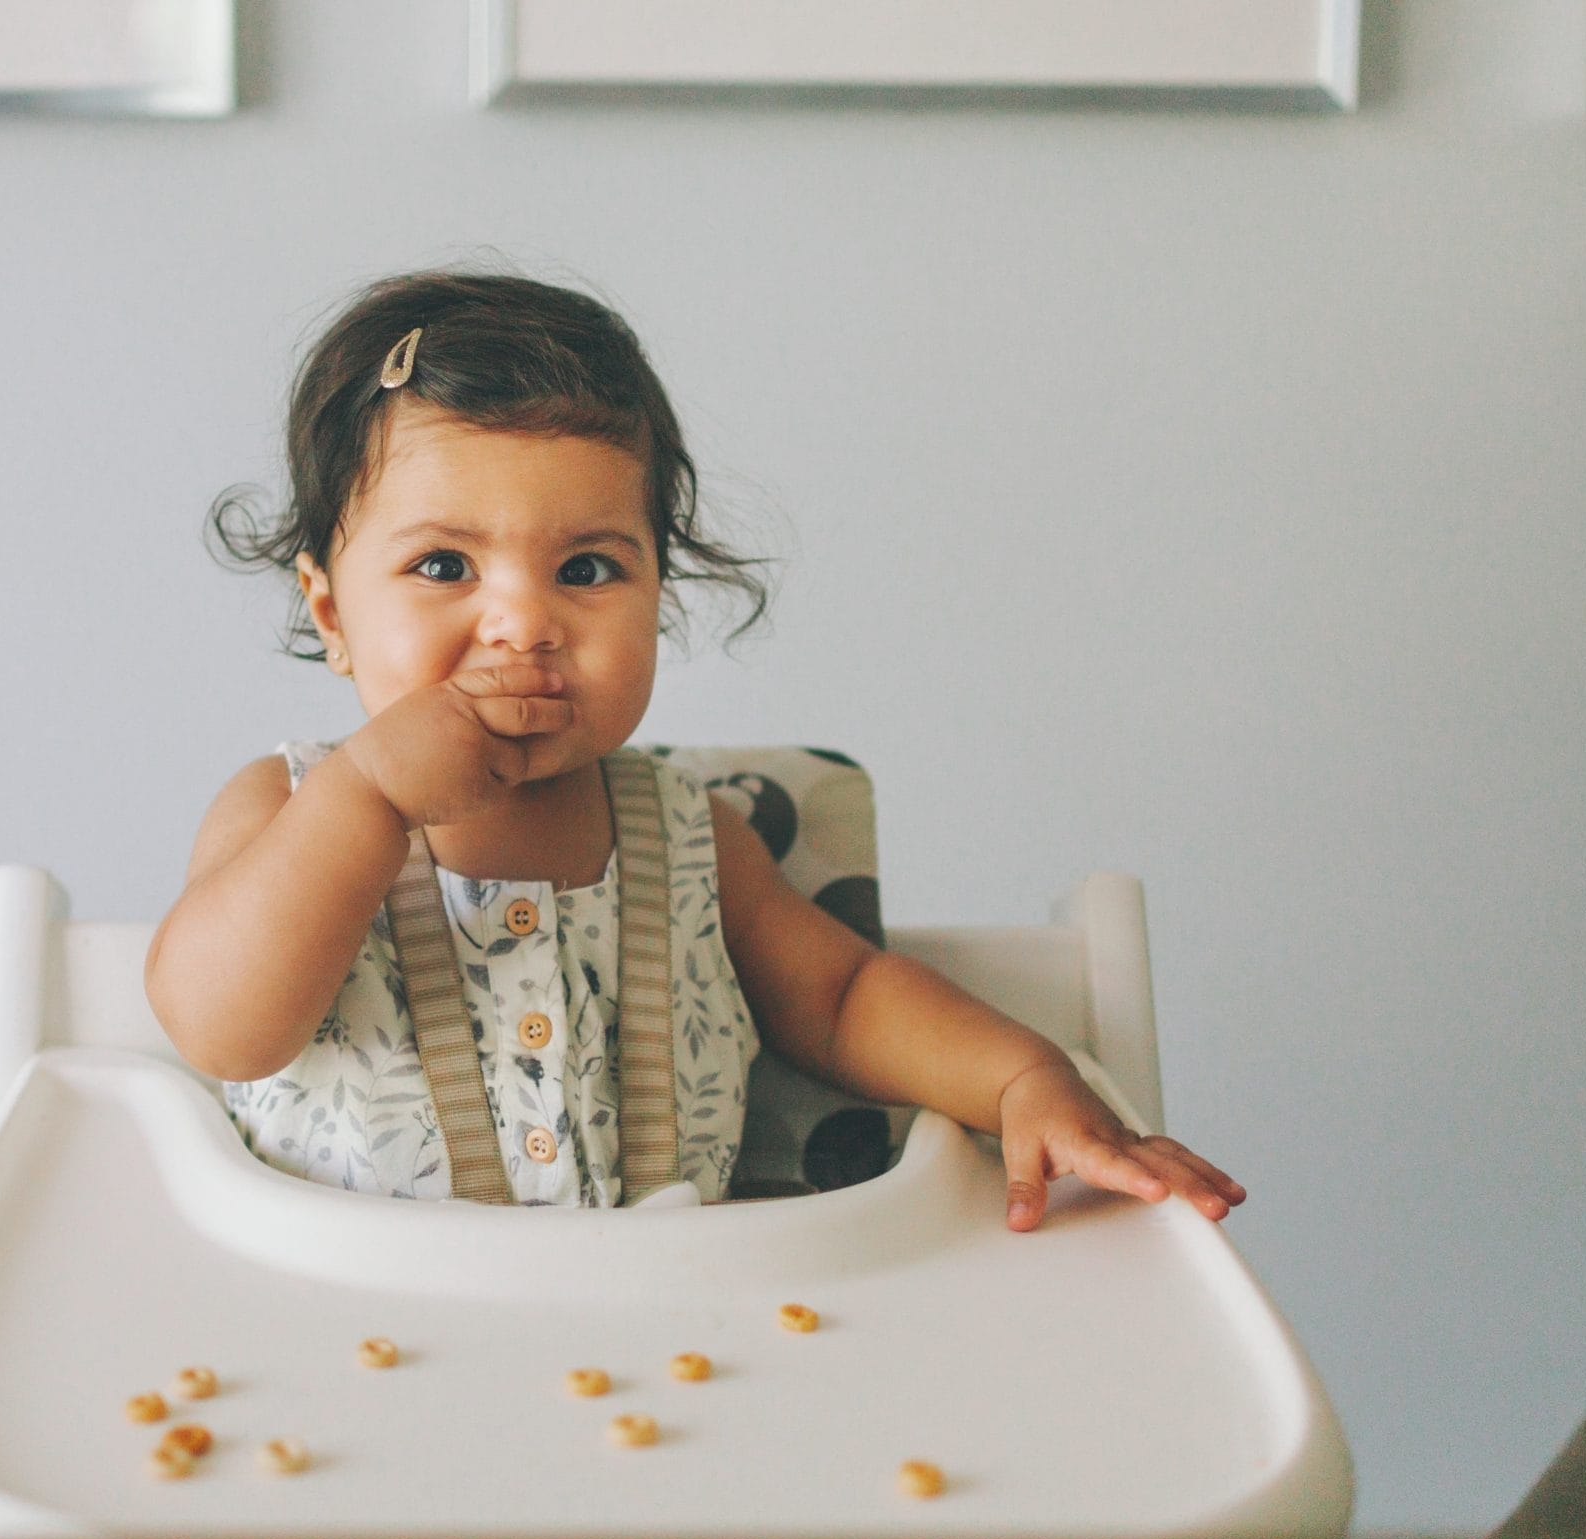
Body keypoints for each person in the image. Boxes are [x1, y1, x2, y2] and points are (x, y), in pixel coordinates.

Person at [145, 269, 1246, 1226]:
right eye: (443, 566)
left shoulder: (683, 831)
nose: (524, 624)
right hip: (344, 1320)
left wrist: (1020, 1078)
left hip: (673, 1330)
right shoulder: (287, 806)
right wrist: (366, 797)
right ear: (330, 613)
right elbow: (219, 1028)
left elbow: (844, 1000)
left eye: (586, 570)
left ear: (657, 598)